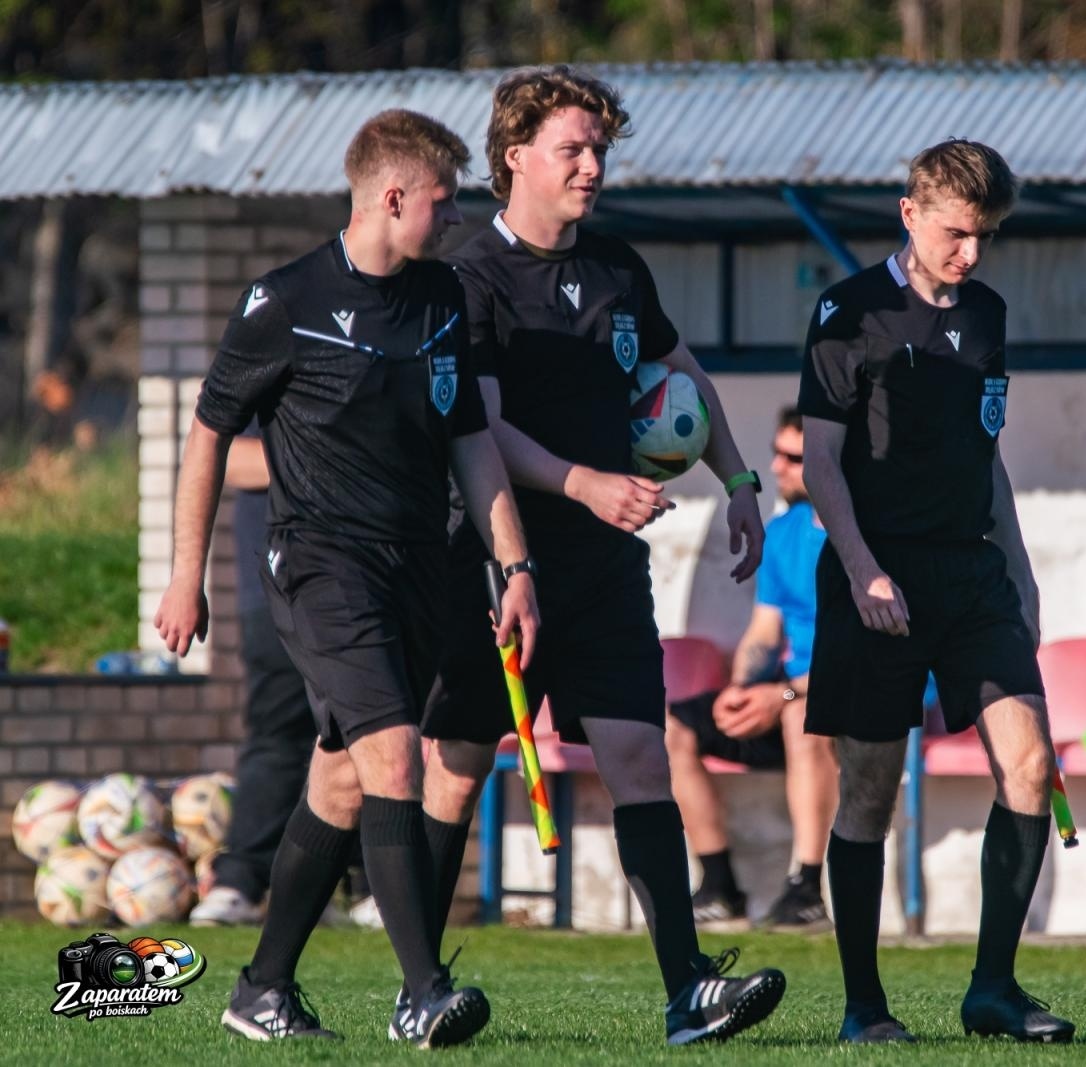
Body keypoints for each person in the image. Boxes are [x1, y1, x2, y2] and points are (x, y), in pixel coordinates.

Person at [414, 66, 786, 1046]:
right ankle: (420, 983)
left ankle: (687, 990)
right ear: (515, 157)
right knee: (457, 763)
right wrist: (585, 483)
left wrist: (739, 480)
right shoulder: (468, 276)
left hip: (604, 565)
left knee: (637, 755)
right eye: (572, 149)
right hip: (495, 563)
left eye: (599, 149)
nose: (592, 166)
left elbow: (679, 371)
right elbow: (480, 427)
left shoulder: (619, 266)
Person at [155, 109, 540, 1049]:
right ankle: (422, 992)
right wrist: (183, 575)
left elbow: (470, 441)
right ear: (392, 197)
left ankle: (261, 987)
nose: (456, 219)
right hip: (321, 565)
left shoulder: (442, 296)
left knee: (338, 784)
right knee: (394, 756)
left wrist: (515, 564)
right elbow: (207, 434)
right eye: (444, 202)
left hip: (418, 568)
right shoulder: (285, 300)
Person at [797, 139, 1074, 1045]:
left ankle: (993, 988)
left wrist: (1020, 569)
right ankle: (864, 1007)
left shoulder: (988, 314)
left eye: (985, 235)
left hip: (972, 575)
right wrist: (861, 567)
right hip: (877, 576)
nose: (971, 252)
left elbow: (986, 454)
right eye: (957, 233)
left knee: (1029, 763)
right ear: (910, 214)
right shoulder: (848, 312)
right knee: (870, 791)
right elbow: (822, 462)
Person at [668, 407, 838, 931]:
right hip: (788, 691)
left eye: (792, 457)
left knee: (799, 718)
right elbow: (765, 633)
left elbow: (862, 659)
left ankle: (807, 890)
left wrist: (781, 695)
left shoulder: (867, 537)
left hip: (858, 697)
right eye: (777, 453)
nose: (777, 466)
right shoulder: (783, 532)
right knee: (673, 729)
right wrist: (740, 690)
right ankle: (719, 887)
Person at [188, 429, 319, 926]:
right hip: (277, 583)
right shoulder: (262, 373)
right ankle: (241, 880)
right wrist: (332, 453)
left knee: (370, 734)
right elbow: (233, 458)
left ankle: (366, 887)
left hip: (370, 581)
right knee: (277, 730)